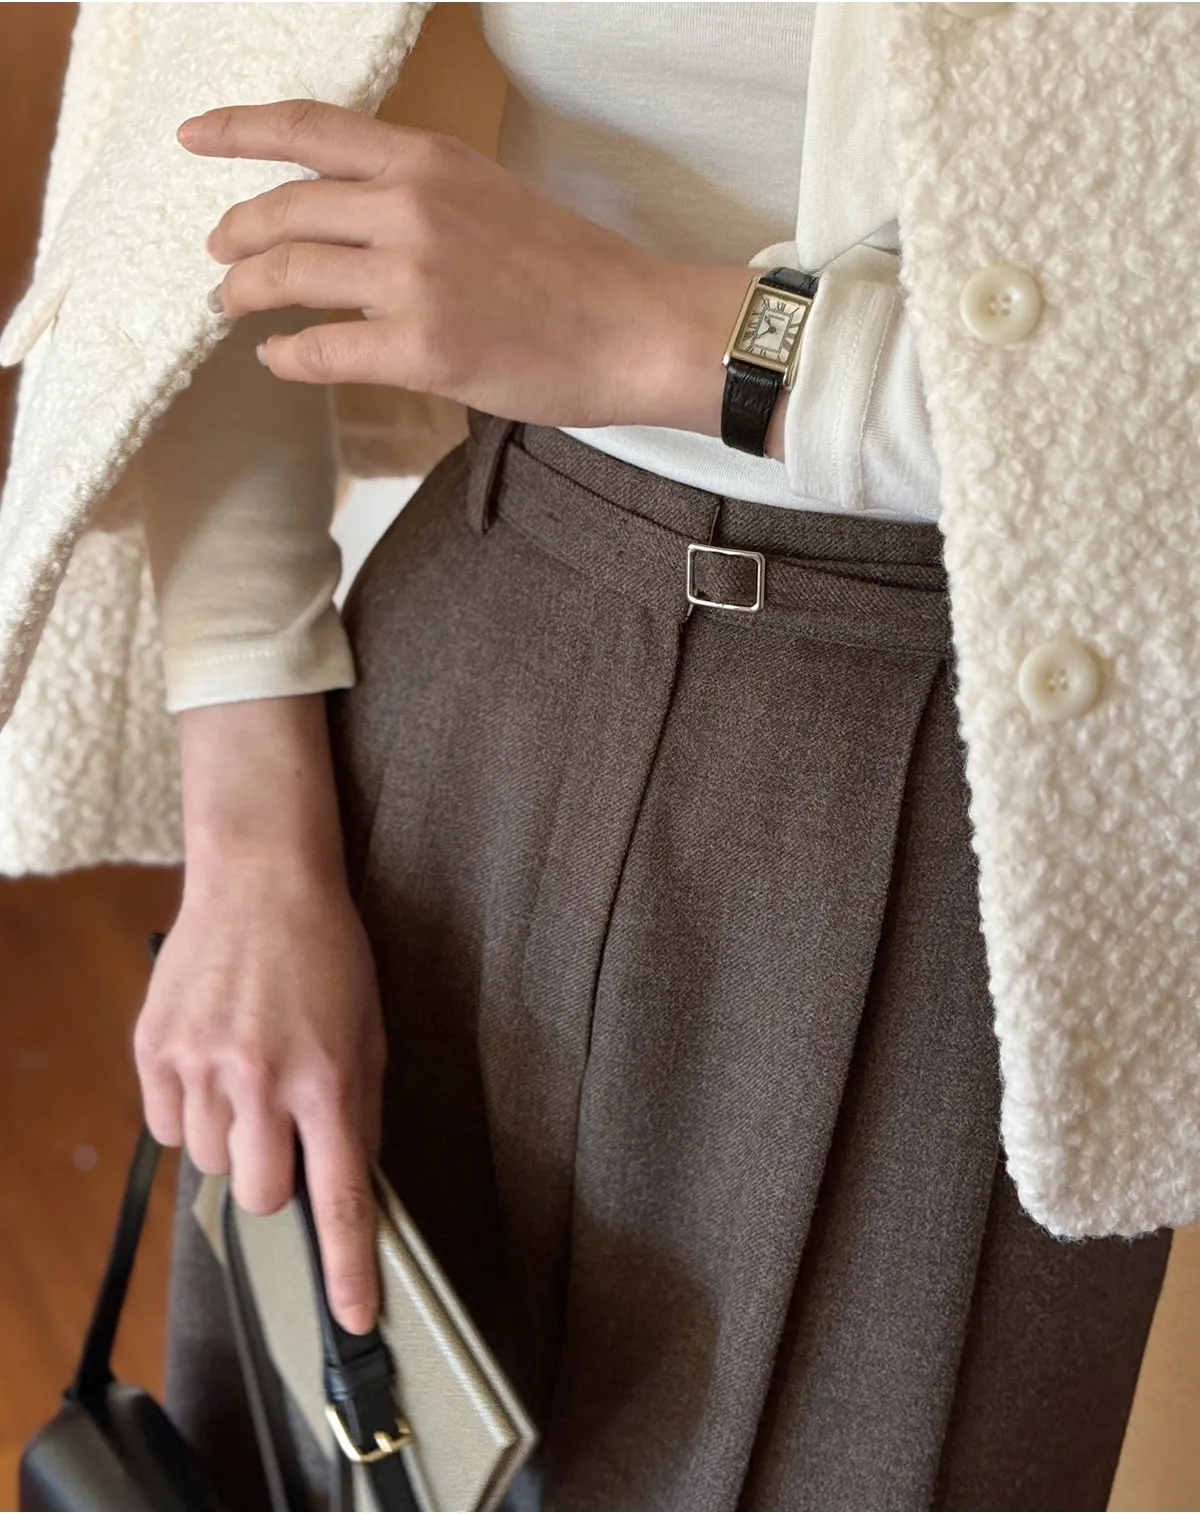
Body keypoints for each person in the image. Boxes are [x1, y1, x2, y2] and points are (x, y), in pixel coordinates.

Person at [1, 3, 1195, 1509]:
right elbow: (219, 147)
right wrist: (248, 854)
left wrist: (676, 334)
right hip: (485, 657)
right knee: (344, 1446)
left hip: (1008, 794)